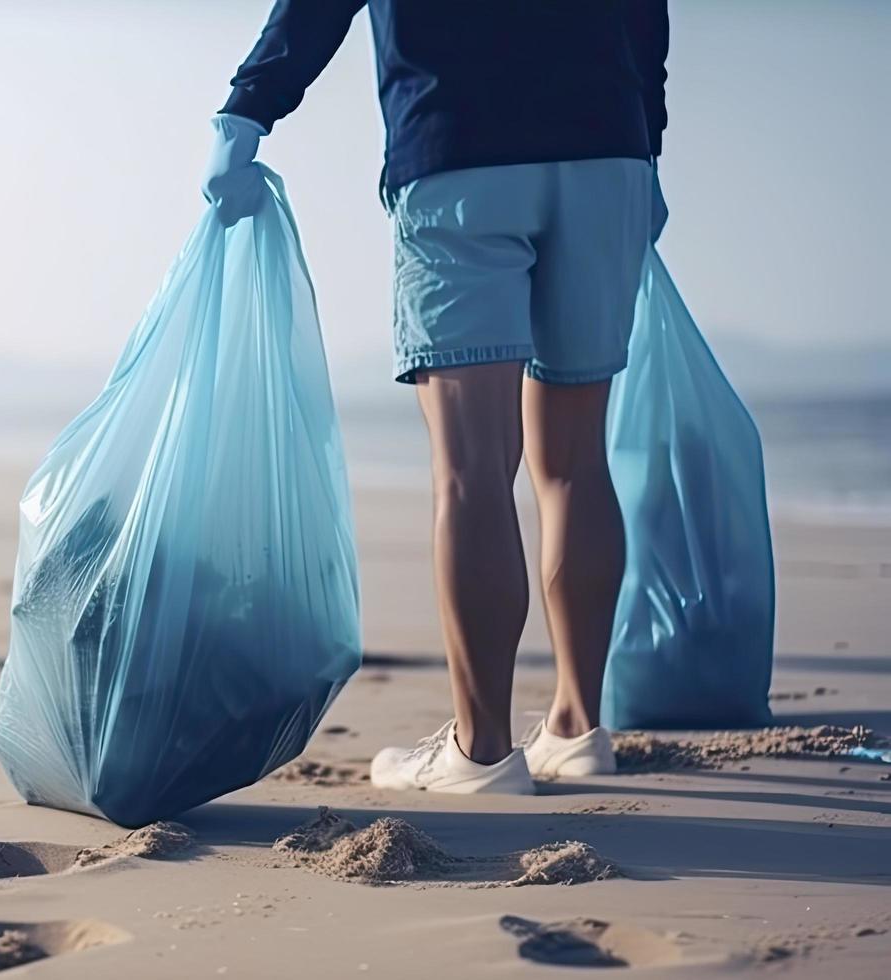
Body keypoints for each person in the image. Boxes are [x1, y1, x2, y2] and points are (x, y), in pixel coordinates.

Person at [205, 1, 669, 793]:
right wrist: (648, 140)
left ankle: (482, 751)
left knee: (473, 469)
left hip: (461, 148)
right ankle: (577, 725)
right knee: (575, 462)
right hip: (606, 150)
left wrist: (248, 109)